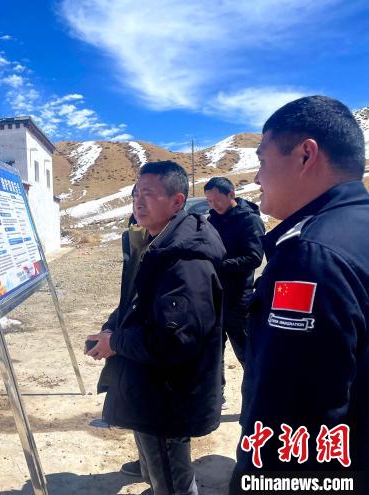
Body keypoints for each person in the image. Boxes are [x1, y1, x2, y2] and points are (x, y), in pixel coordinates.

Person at [231, 96, 369, 491]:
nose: (257, 178)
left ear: (305, 155)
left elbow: (291, 422)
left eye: (262, 161)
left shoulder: (310, 258)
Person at [86, 161, 225, 495]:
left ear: (177, 202)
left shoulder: (184, 262)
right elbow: (136, 301)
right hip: (150, 382)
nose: (138, 201)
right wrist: (110, 330)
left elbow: (173, 341)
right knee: (157, 459)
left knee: (171, 474)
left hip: (167, 394)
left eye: (148, 194)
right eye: (136, 193)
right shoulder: (155, 243)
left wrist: (116, 343)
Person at [204, 177, 265, 406]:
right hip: (214, 296)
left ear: (231, 194)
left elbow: (254, 258)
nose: (214, 205)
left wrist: (220, 265)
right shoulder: (211, 220)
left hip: (239, 298)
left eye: (217, 200)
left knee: (246, 351)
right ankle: (216, 397)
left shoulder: (249, 220)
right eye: (209, 201)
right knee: (213, 350)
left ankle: (258, 398)